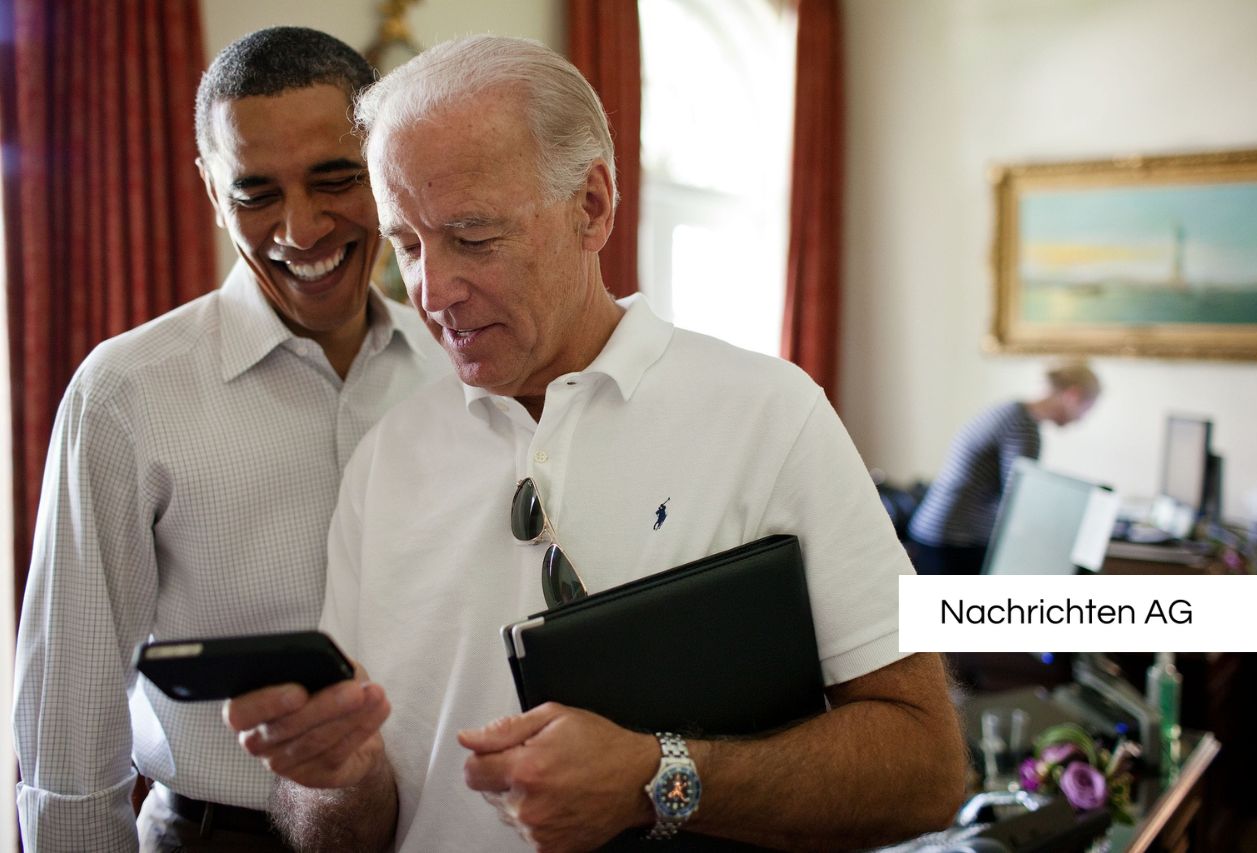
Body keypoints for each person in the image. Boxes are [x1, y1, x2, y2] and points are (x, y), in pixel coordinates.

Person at [224, 35, 966, 852]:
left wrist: (660, 778)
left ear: (593, 206)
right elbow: (342, 831)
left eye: (472, 236)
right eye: (407, 244)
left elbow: (927, 769)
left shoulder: (769, 413)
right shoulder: (383, 465)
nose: (433, 291)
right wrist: (334, 776)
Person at [13, 27, 447, 853]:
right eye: (256, 193)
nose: (302, 227)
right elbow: (68, 716)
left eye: (335, 180)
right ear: (213, 192)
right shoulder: (125, 394)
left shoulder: (455, 377)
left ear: (386, 168)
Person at [906, 362, 1101, 575]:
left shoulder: (1011, 412)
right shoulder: (1022, 426)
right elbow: (1020, 499)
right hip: (954, 538)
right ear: (1073, 395)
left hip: (938, 530)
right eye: (1086, 409)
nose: (1081, 419)